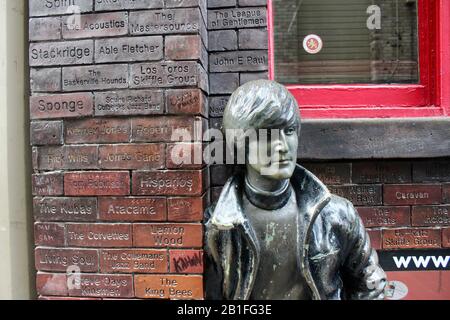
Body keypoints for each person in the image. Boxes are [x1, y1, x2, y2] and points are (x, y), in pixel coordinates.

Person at [204, 80, 387, 300]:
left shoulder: (337, 215)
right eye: (268, 134)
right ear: (240, 142)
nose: (282, 146)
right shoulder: (218, 228)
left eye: (289, 131)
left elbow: (370, 286)